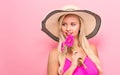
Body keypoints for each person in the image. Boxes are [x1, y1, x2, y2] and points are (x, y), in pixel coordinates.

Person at [41, 5, 103, 75]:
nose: (68, 29)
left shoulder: (92, 49)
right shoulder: (55, 54)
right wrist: (72, 67)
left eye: (73, 24)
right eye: (64, 24)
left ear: (80, 26)